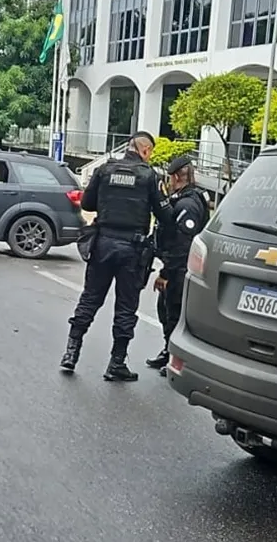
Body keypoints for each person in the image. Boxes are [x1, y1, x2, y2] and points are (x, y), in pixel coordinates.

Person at [59, 132, 173, 381]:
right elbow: (165, 216)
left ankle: (70, 354)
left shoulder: (105, 170)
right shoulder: (149, 176)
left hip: (103, 244)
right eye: (150, 152)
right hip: (132, 251)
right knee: (126, 307)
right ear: (145, 150)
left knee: (90, 298)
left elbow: (87, 204)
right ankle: (116, 363)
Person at [145, 155, 210, 375]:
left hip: (180, 269)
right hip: (177, 267)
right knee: (165, 310)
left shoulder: (187, 204)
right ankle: (168, 350)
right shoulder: (184, 198)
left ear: (174, 177)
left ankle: (176, 359)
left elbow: (182, 245)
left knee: (174, 314)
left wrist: (165, 273)